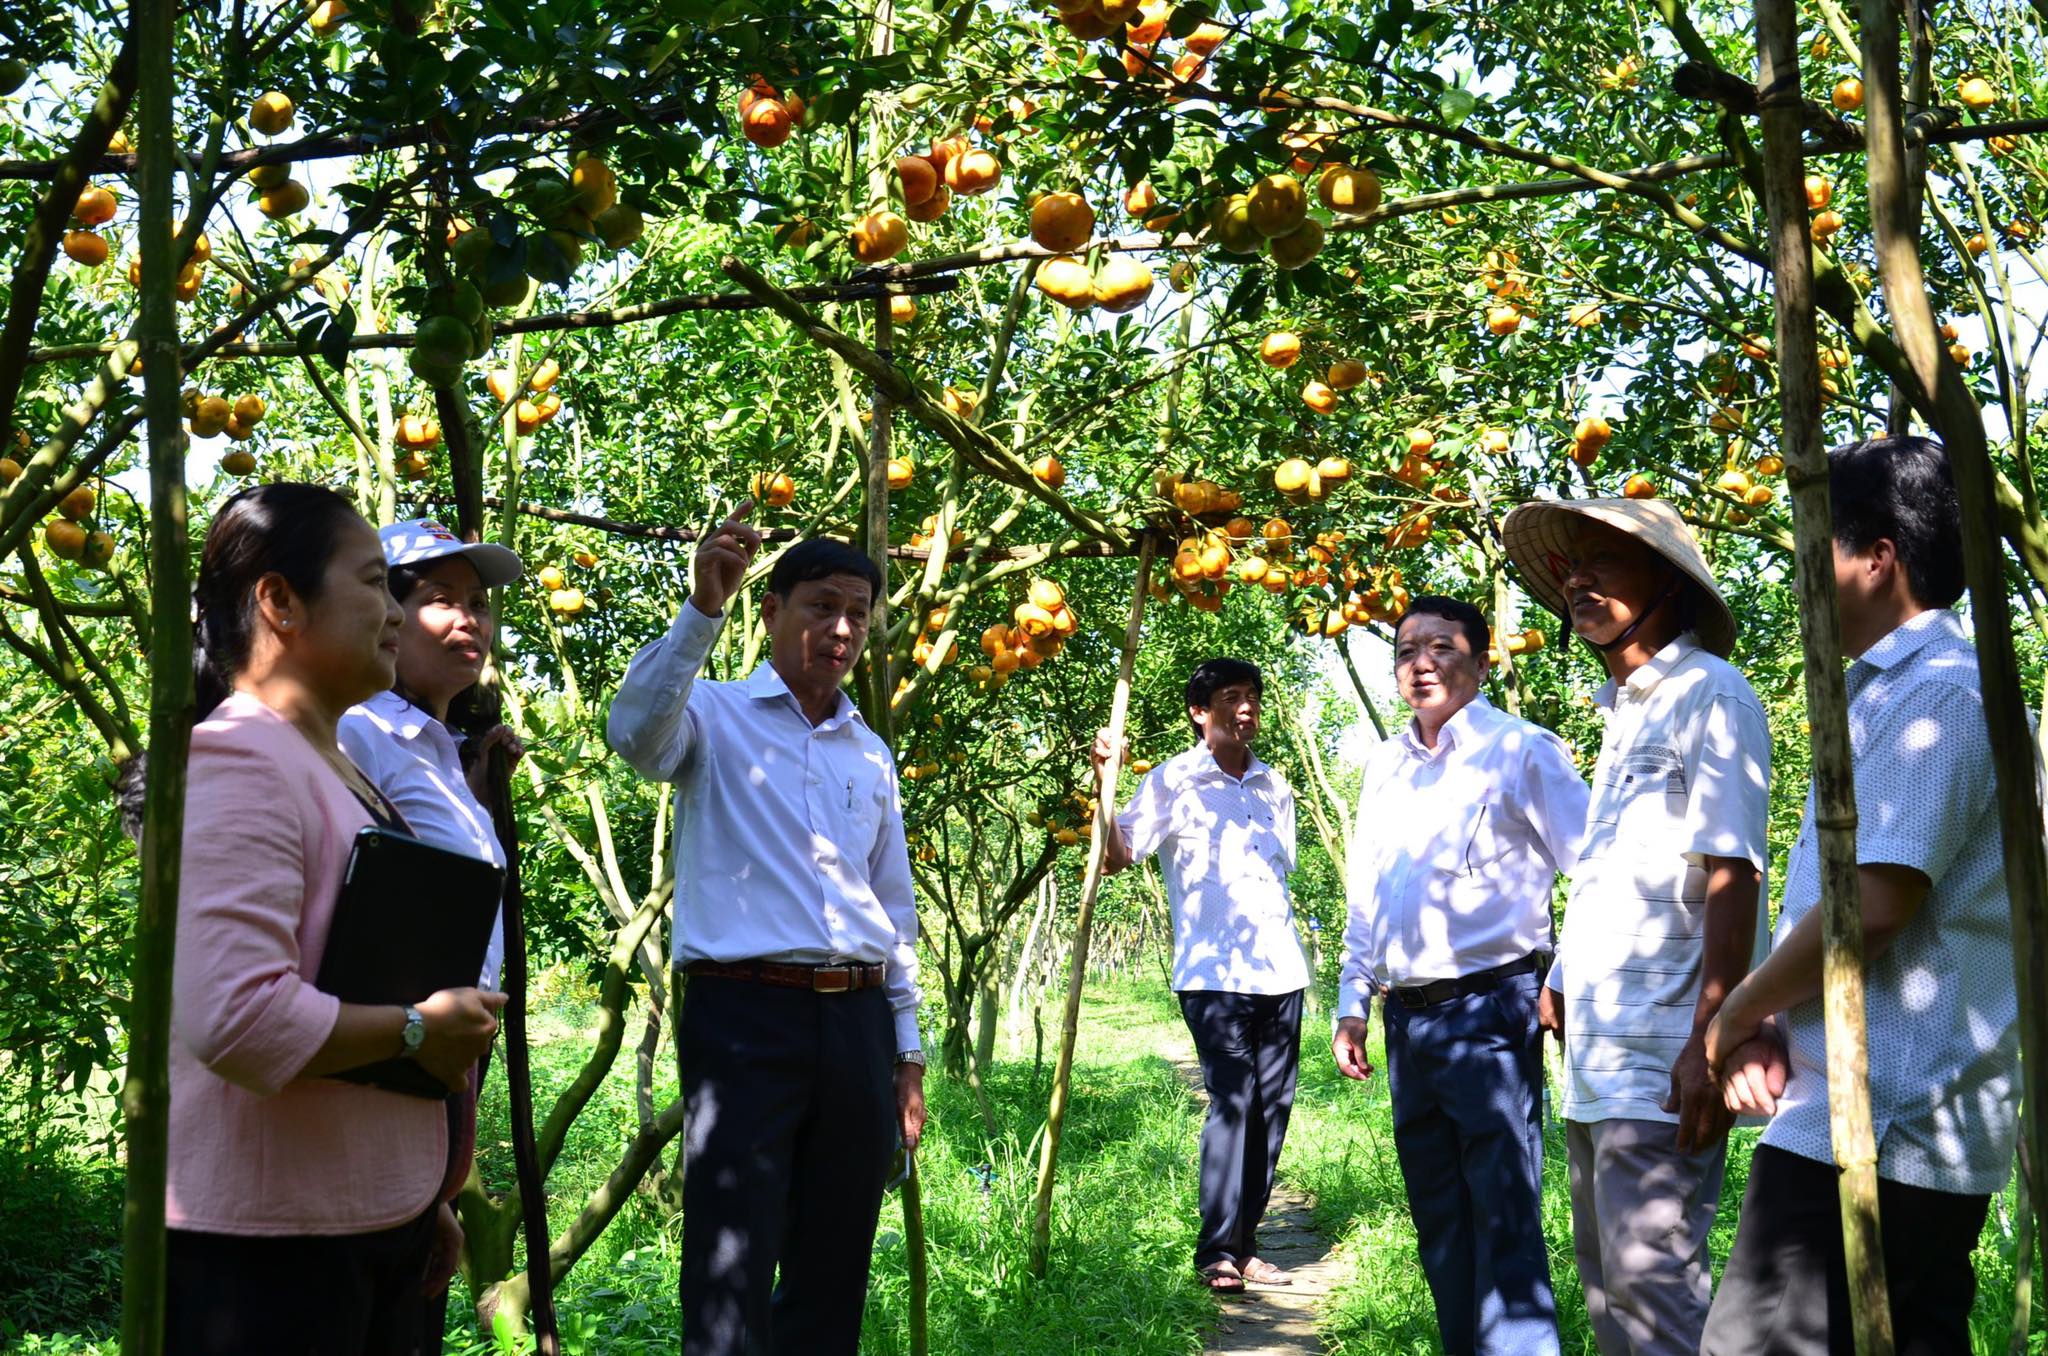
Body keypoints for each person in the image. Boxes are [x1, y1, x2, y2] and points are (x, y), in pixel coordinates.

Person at [165, 484, 506, 1356]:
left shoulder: (335, 764)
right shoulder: (239, 756)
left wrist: (421, 1193)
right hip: (275, 1253)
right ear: (278, 600)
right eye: (374, 584)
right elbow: (238, 1019)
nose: (394, 612)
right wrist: (415, 1033)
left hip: (371, 1227)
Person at [1700, 436, 2021, 1355]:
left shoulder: (1941, 697)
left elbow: (1873, 910)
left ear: (1878, 556)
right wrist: (1774, 1022)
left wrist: (1736, 1013)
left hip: (1887, 1124)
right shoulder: (1886, 694)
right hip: (1853, 1114)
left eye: (1814, 546)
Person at [606, 504, 927, 1356]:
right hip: (745, 1016)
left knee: (836, 1255)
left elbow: (893, 909)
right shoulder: (712, 715)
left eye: (858, 613)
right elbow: (632, 735)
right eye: (821, 606)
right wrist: (699, 611)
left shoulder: (869, 750)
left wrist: (907, 1048)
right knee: (732, 1253)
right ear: (772, 611)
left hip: (856, 1018)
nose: (843, 629)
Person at [1501, 498, 1770, 1356]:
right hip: (1602, 1058)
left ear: (1668, 583)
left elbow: (1733, 874)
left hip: (1663, 1061)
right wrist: (1563, 978)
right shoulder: (1624, 710)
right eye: (1571, 566)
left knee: (1656, 1298)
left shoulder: (1710, 695)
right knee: (1613, 1297)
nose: (1576, 579)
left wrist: (1713, 1037)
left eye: (1603, 561)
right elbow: (1621, 868)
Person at [1334, 595, 1588, 1356]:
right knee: (1440, 1220)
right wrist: (1353, 999)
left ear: (1482, 660)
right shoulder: (1384, 766)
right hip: (1407, 1018)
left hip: (1492, 1008)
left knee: (1504, 1213)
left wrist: (1563, 978)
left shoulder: (1523, 750)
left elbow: (1596, 870)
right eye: (1407, 650)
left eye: (1441, 647)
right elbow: (1367, 891)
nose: (1421, 663)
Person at [337, 518, 525, 1351]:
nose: (471, 621)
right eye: (440, 600)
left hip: (437, 1065)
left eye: (479, 604)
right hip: (378, 1063)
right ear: (384, 613)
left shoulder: (436, 747)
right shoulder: (359, 732)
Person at [1092, 658, 1313, 1294]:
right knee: (1234, 1101)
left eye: (1252, 697)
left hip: (1282, 970)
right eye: (1231, 697)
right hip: (1213, 973)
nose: (1246, 708)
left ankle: (1245, 1245)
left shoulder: (1275, 787)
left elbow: (1279, 874)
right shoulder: (1171, 782)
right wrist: (1104, 783)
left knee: (1273, 1110)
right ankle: (1215, 1250)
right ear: (1201, 712)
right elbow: (1117, 855)